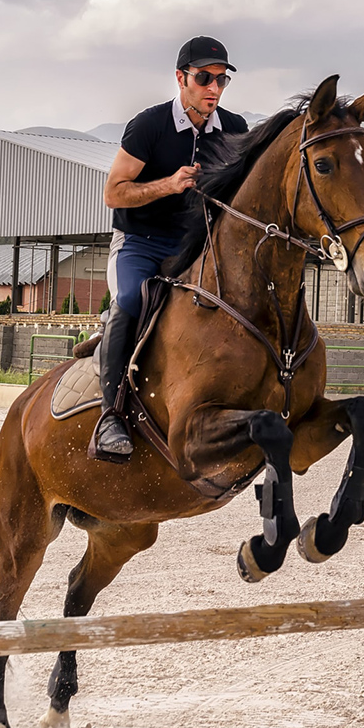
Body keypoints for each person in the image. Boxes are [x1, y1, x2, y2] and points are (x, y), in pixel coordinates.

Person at [96, 36, 248, 459]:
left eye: (221, 80)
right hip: (139, 244)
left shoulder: (234, 130)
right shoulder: (150, 125)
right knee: (129, 300)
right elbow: (113, 194)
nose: (213, 88)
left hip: (196, 246)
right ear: (181, 79)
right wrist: (169, 184)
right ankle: (110, 415)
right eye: (204, 78)